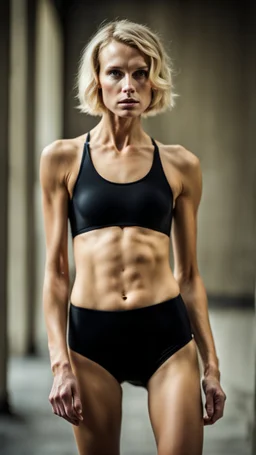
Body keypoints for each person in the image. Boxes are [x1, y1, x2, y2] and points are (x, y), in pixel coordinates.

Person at [40, 19, 226, 455]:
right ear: (98, 81)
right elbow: (56, 271)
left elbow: (190, 275)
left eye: (140, 72)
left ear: (154, 80)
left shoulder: (181, 165)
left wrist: (212, 366)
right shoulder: (63, 159)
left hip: (165, 334)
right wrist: (59, 362)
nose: (129, 85)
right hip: (92, 338)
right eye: (116, 73)